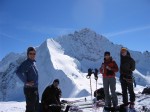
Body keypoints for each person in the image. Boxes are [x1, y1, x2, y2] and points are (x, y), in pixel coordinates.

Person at [16, 47, 39, 112]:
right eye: (30, 53)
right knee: (30, 108)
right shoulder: (26, 63)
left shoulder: (33, 63)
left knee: (36, 107)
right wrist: (26, 82)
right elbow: (18, 72)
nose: (32, 55)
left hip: (34, 89)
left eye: (34, 53)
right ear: (27, 54)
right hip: (29, 89)